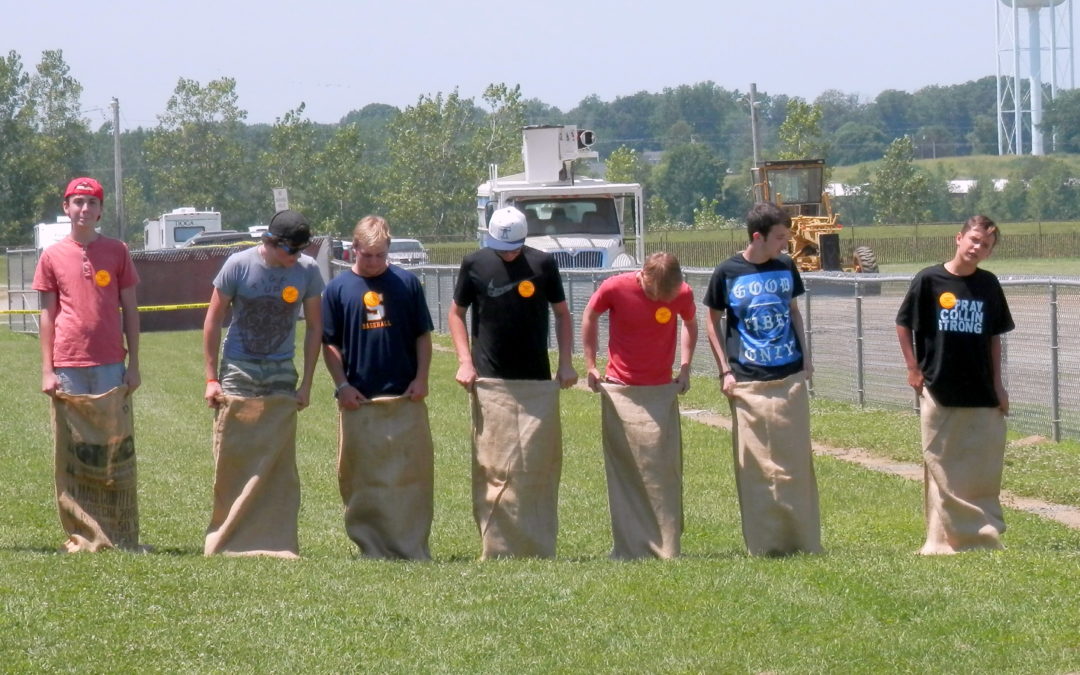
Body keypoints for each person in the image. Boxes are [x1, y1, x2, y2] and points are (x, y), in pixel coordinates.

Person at [449, 205, 578, 559]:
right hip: (490, 380)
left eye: (513, 247)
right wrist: (464, 361)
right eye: (501, 247)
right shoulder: (475, 263)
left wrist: (565, 363)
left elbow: (563, 314)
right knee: (493, 466)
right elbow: (456, 314)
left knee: (535, 466)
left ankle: (535, 544)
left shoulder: (543, 264)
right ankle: (497, 546)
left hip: (536, 380)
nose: (507, 253)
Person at [201, 209, 324, 558]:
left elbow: (315, 327)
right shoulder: (238, 265)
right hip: (238, 369)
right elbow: (212, 321)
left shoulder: (308, 272)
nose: (295, 258)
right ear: (271, 242)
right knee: (234, 454)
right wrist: (211, 378)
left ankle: (275, 540)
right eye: (290, 251)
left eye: (301, 251)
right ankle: (227, 539)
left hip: (281, 371)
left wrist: (307, 384)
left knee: (278, 461)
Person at [703, 201, 821, 557]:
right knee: (756, 467)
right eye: (780, 237)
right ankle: (764, 543)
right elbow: (711, 321)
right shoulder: (727, 272)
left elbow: (794, 312)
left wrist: (807, 358)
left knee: (794, 463)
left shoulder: (786, 266)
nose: (786, 244)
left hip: (788, 376)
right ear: (758, 237)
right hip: (747, 380)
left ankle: (802, 541)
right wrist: (725, 370)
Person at [33, 177, 143, 553]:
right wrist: (47, 370)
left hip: (112, 364)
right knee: (74, 453)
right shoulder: (51, 256)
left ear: (100, 210)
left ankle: (120, 534)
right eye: (77, 202)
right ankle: (81, 534)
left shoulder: (117, 251)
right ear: (66, 207)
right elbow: (48, 315)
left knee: (113, 451)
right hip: (68, 365)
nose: (84, 209)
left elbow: (130, 309)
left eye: (91, 203)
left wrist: (135, 364)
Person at [896, 215, 1015, 555]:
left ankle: (978, 534)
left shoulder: (988, 285)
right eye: (974, 240)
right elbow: (903, 324)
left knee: (978, 465)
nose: (978, 248)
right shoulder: (929, 280)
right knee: (940, 465)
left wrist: (999, 386)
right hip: (938, 387)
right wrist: (913, 368)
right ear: (959, 238)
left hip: (980, 391)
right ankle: (939, 540)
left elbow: (995, 338)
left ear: (990, 252)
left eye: (986, 245)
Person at [322, 215, 435, 560]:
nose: (373, 263)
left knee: (410, 478)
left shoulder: (407, 284)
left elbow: (422, 336)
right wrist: (342, 386)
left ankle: (411, 545)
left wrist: (421, 379)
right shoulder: (337, 290)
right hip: (360, 400)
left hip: (404, 396)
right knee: (364, 479)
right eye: (366, 255)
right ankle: (371, 546)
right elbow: (328, 345)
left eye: (380, 256)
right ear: (353, 248)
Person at [581, 252, 697, 559]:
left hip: (660, 391)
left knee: (662, 470)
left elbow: (689, 323)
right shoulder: (615, 287)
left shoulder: (682, 293)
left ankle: (667, 542)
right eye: (652, 293)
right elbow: (589, 315)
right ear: (642, 276)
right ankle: (629, 544)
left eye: (665, 296)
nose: (659, 299)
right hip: (622, 388)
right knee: (626, 469)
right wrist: (590, 364)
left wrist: (685, 367)